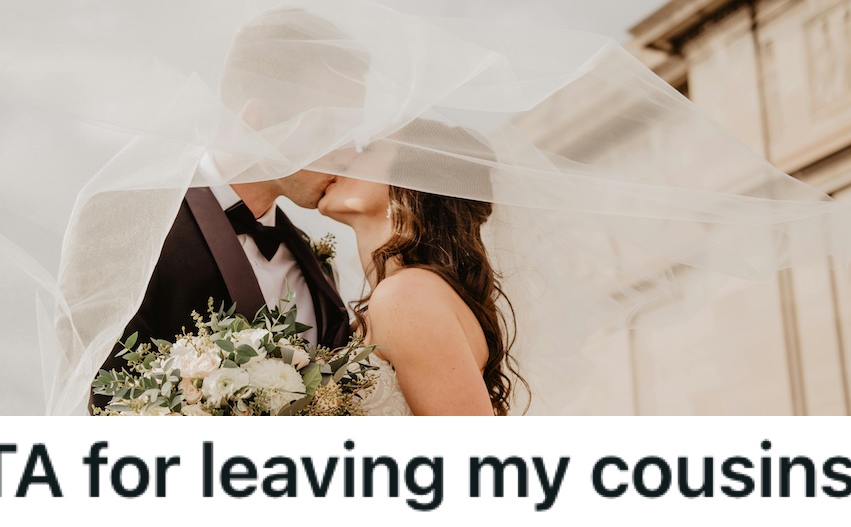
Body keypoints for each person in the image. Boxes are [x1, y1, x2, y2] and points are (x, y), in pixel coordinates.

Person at [91, 8, 370, 409]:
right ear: (258, 121)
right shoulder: (134, 225)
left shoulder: (311, 258)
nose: (347, 157)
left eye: (352, 136)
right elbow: (105, 400)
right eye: (329, 130)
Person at [317, 120, 527, 416]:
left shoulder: (405, 297)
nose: (341, 158)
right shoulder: (408, 293)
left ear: (408, 188)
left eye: (367, 149)